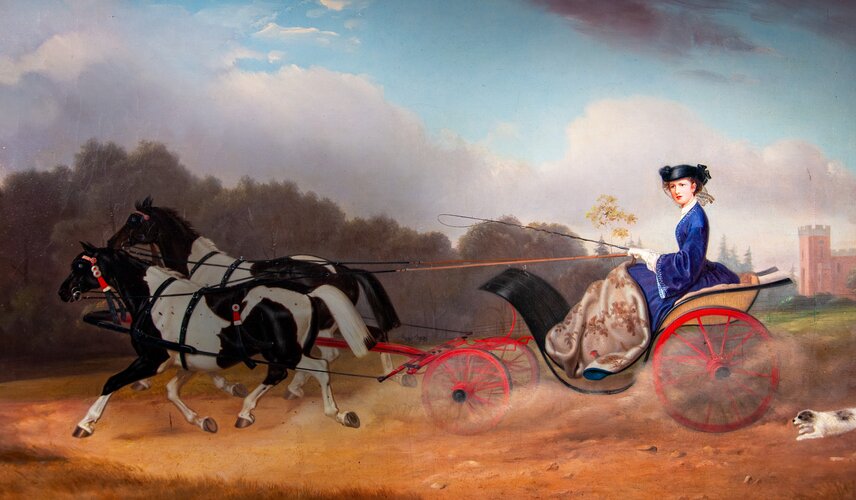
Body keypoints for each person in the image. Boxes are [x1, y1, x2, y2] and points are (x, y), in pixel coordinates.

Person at [627, 164, 740, 330]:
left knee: (650, 291)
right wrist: (648, 254)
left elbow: (688, 264)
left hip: (695, 274)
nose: (676, 191)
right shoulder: (690, 212)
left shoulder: (697, 219)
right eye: (672, 186)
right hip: (694, 270)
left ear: (693, 186)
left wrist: (650, 256)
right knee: (636, 272)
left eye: (682, 185)